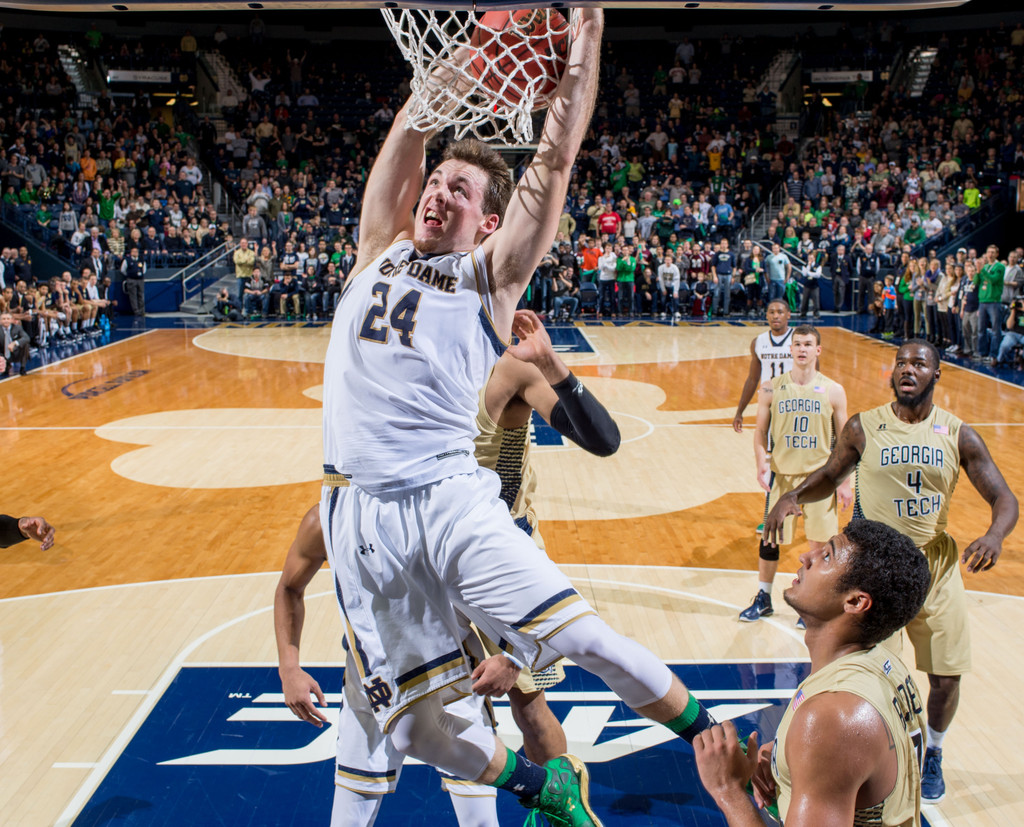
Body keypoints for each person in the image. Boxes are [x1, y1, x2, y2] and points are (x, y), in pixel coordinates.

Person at [321, 12, 716, 826]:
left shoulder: (487, 278)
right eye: (436, 184)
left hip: (452, 498)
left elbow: (558, 157)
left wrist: (585, 52)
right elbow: (412, 122)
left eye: (459, 191)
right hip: (359, 511)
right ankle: (547, 788)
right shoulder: (374, 250)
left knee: (586, 637)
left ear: (488, 222)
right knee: (423, 728)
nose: (438, 193)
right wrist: (473, 54)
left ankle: (723, 748)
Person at [763, 340, 1019, 803]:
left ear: (937, 374)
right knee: (866, 671)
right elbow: (830, 471)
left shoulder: (958, 434)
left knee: (946, 676)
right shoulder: (865, 426)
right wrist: (792, 497)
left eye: (919, 363)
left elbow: (1005, 498)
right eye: (901, 362)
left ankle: (934, 750)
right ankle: (877, 753)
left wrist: (994, 536)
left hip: (935, 567)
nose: (907, 369)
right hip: (876, 570)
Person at [694, 519, 931, 826]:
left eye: (827, 556)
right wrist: (786, 760)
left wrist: (728, 790)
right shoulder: (881, 662)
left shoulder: (833, 717)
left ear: (855, 601)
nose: (807, 556)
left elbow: (838, 738)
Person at [740, 325, 852, 623]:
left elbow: (845, 443)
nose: (802, 349)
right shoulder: (771, 387)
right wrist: (760, 460)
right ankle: (764, 597)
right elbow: (760, 431)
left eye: (808, 344)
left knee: (819, 545)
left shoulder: (833, 390)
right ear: (790, 350)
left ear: (818, 350)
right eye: (797, 344)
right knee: (770, 538)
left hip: (820, 479)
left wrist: (845, 482)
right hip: (783, 477)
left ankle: (813, 603)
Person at [731, 299, 793, 432]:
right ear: (766, 316)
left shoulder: (799, 339)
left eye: (780, 312)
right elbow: (752, 379)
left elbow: (814, 376)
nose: (775, 316)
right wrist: (740, 411)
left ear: (788, 315)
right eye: (771, 312)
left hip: (793, 401)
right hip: (768, 400)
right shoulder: (758, 342)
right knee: (767, 448)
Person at [1, 310, 31, 376]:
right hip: (3, 355)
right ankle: (5, 366)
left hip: (16, 352)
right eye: (4, 319)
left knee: (26, 344)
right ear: (0, 321)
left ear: (11, 320)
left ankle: (22, 368)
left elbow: (27, 338)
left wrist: (15, 343)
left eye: (8, 319)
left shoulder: (17, 328)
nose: (6, 321)